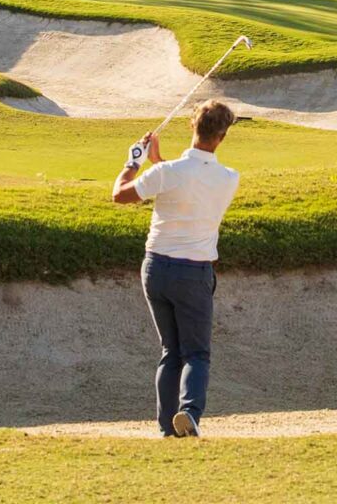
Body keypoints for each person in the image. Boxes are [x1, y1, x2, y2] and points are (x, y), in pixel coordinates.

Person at [111, 98, 242, 438]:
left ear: (193, 127)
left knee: (171, 351)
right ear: (222, 136)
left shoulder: (166, 173)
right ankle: (189, 413)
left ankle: (166, 428)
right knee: (196, 353)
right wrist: (156, 164)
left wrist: (134, 162)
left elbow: (120, 194)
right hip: (194, 273)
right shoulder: (229, 178)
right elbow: (193, 184)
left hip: (155, 269)